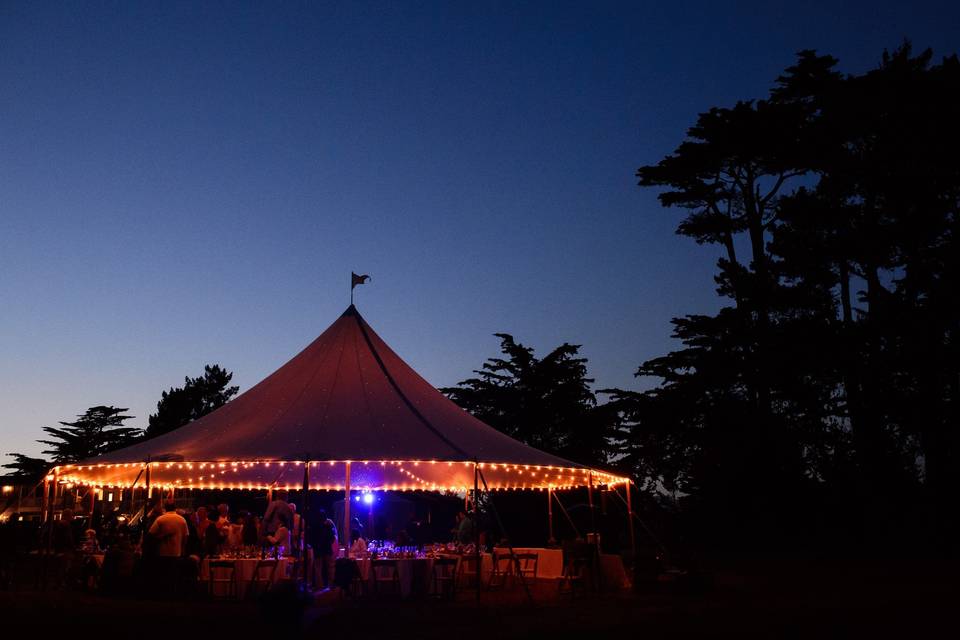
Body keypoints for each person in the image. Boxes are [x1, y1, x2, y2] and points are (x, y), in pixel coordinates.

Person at [309, 508, 337, 588]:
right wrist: (328, 543)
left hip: (318, 549)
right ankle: (331, 584)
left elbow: (312, 537)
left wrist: (314, 545)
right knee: (330, 567)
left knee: (318, 568)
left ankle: (319, 585)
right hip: (327, 548)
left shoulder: (314, 526)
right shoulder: (328, 526)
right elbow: (332, 537)